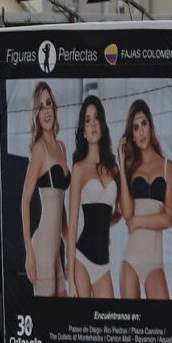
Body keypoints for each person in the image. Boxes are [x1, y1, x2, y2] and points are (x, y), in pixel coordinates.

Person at [119, 97, 172, 301]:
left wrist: (138, 221)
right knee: (129, 321)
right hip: (131, 260)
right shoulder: (130, 168)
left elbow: (168, 218)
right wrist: (121, 164)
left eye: (143, 124)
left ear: (151, 126)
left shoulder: (167, 167)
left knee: (165, 319)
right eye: (135, 128)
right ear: (132, 136)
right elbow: (127, 214)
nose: (141, 132)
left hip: (155, 263)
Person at [67, 95, 121, 299]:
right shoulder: (79, 169)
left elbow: (119, 213)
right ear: (83, 131)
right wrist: (71, 279)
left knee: (109, 317)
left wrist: (105, 225)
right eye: (87, 120)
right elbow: (73, 226)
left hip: (103, 263)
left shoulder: (113, 169)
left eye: (96, 118)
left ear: (103, 125)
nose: (92, 124)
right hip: (82, 258)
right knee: (83, 316)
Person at [22, 80, 70, 298]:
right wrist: (29, 253)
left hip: (56, 253)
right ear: (37, 114)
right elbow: (25, 200)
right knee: (46, 316)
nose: (46, 111)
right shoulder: (39, 150)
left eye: (48, 104)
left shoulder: (61, 147)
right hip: (41, 249)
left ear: (54, 106)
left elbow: (61, 207)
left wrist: (69, 246)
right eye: (40, 107)